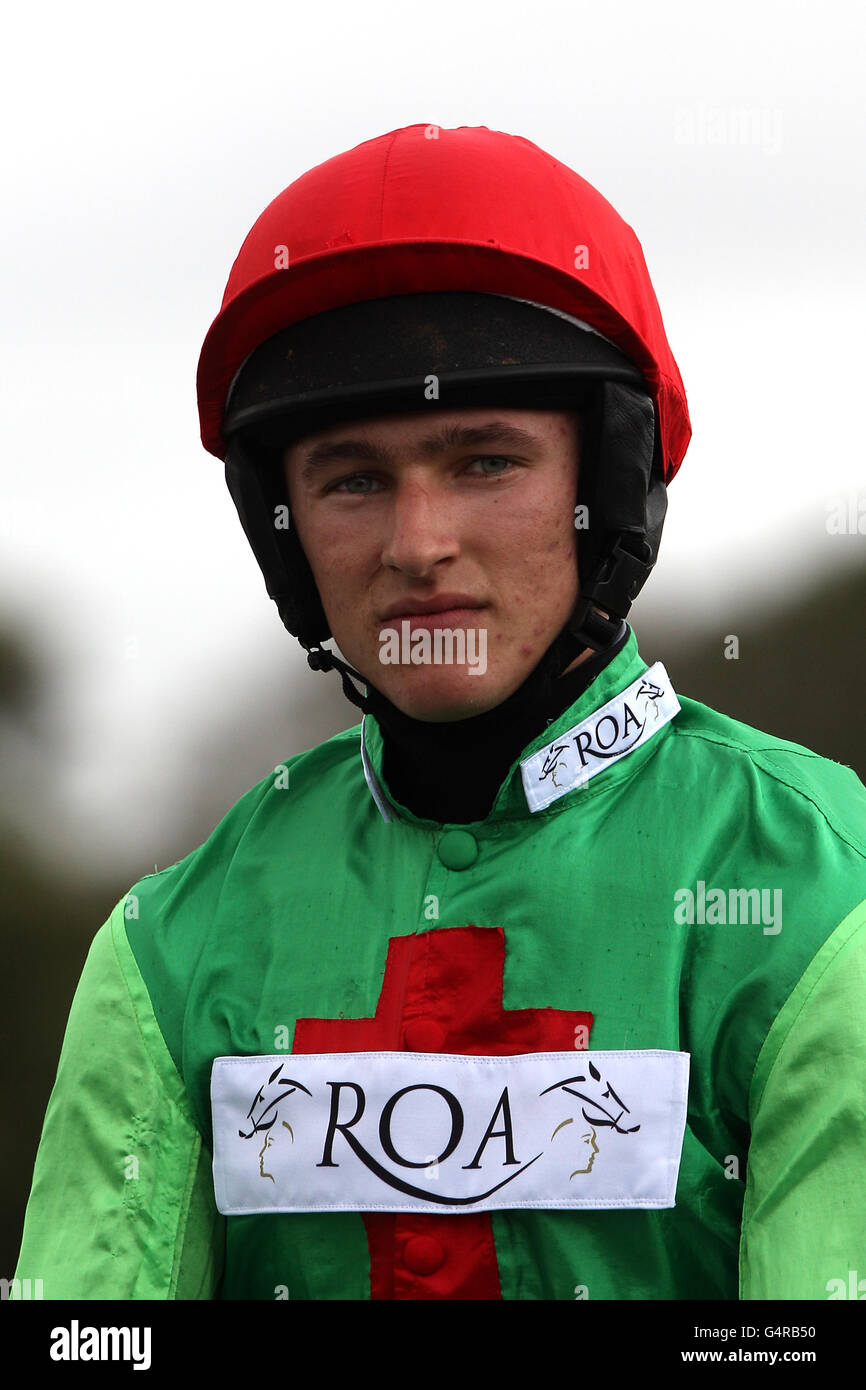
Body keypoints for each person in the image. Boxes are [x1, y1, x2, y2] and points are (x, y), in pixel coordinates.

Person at [14, 123, 866, 1301]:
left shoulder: (827, 892)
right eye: (354, 480)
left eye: (483, 463)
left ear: (607, 485)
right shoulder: (168, 948)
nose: (418, 546)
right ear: (288, 530)